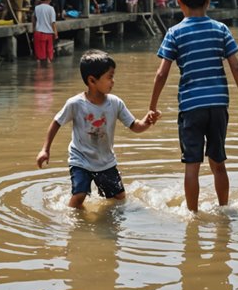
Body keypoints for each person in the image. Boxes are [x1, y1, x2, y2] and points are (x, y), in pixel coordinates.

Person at [148, 0, 238, 212]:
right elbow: (236, 67)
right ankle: (224, 208)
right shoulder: (220, 29)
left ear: (178, 1)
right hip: (218, 106)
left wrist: (152, 106)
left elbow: (161, 74)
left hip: (190, 107)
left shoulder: (174, 33)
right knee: (218, 162)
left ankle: (193, 214)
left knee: (192, 166)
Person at [36, 50, 161, 209]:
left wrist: (148, 121)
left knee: (120, 199)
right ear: (92, 80)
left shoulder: (115, 103)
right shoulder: (75, 104)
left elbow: (135, 126)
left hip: (105, 161)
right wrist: (45, 150)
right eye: (109, 77)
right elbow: (56, 122)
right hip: (80, 158)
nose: (113, 81)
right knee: (79, 196)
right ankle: (73, 225)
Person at [33, 0, 58, 67]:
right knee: (48, 57)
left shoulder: (37, 8)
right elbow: (53, 23)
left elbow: (34, 20)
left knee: (40, 58)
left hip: (38, 33)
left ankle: (40, 74)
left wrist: (34, 31)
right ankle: (49, 75)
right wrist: (56, 34)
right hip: (49, 35)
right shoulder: (51, 9)